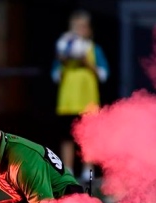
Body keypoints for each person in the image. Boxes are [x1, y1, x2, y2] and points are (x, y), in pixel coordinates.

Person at [52, 9, 109, 181]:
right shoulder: (63, 51)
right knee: (67, 137)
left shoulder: (94, 49)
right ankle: (68, 170)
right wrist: (62, 64)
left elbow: (104, 75)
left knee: (88, 137)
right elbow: (55, 76)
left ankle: (87, 170)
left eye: (82, 27)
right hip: (68, 102)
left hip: (88, 101)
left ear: (89, 30)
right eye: (75, 27)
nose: (79, 31)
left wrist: (87, 63)